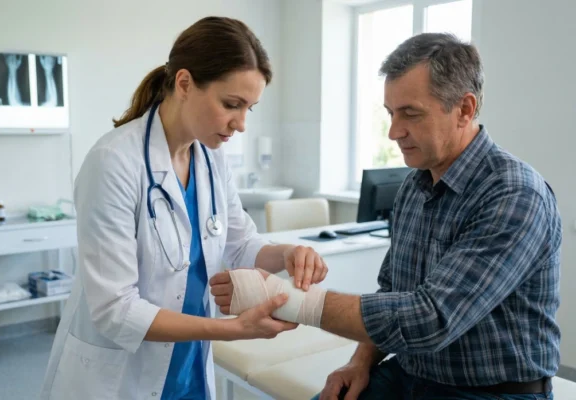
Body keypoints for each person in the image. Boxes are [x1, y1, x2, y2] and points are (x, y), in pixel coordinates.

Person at [210, 33, 562, 399]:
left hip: (490, 392)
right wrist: (360, 361)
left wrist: (285, 298)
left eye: (410, 113)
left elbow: (431, 319)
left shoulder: (514, 194)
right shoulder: (413, 188)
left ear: (465, 109)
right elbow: (394, 291)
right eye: (390, 114)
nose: (394, 132)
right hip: (408, 374)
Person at [40, 16, 328, 400]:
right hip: (120, 377)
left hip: (188, 365)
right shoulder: (114, 162)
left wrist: (290, 253)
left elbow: (241, 244)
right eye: (231, 104)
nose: (241, 124)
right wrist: (232, 329)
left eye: (249, 109)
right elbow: (115, 309)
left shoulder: (211, 159)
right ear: (185, 83)